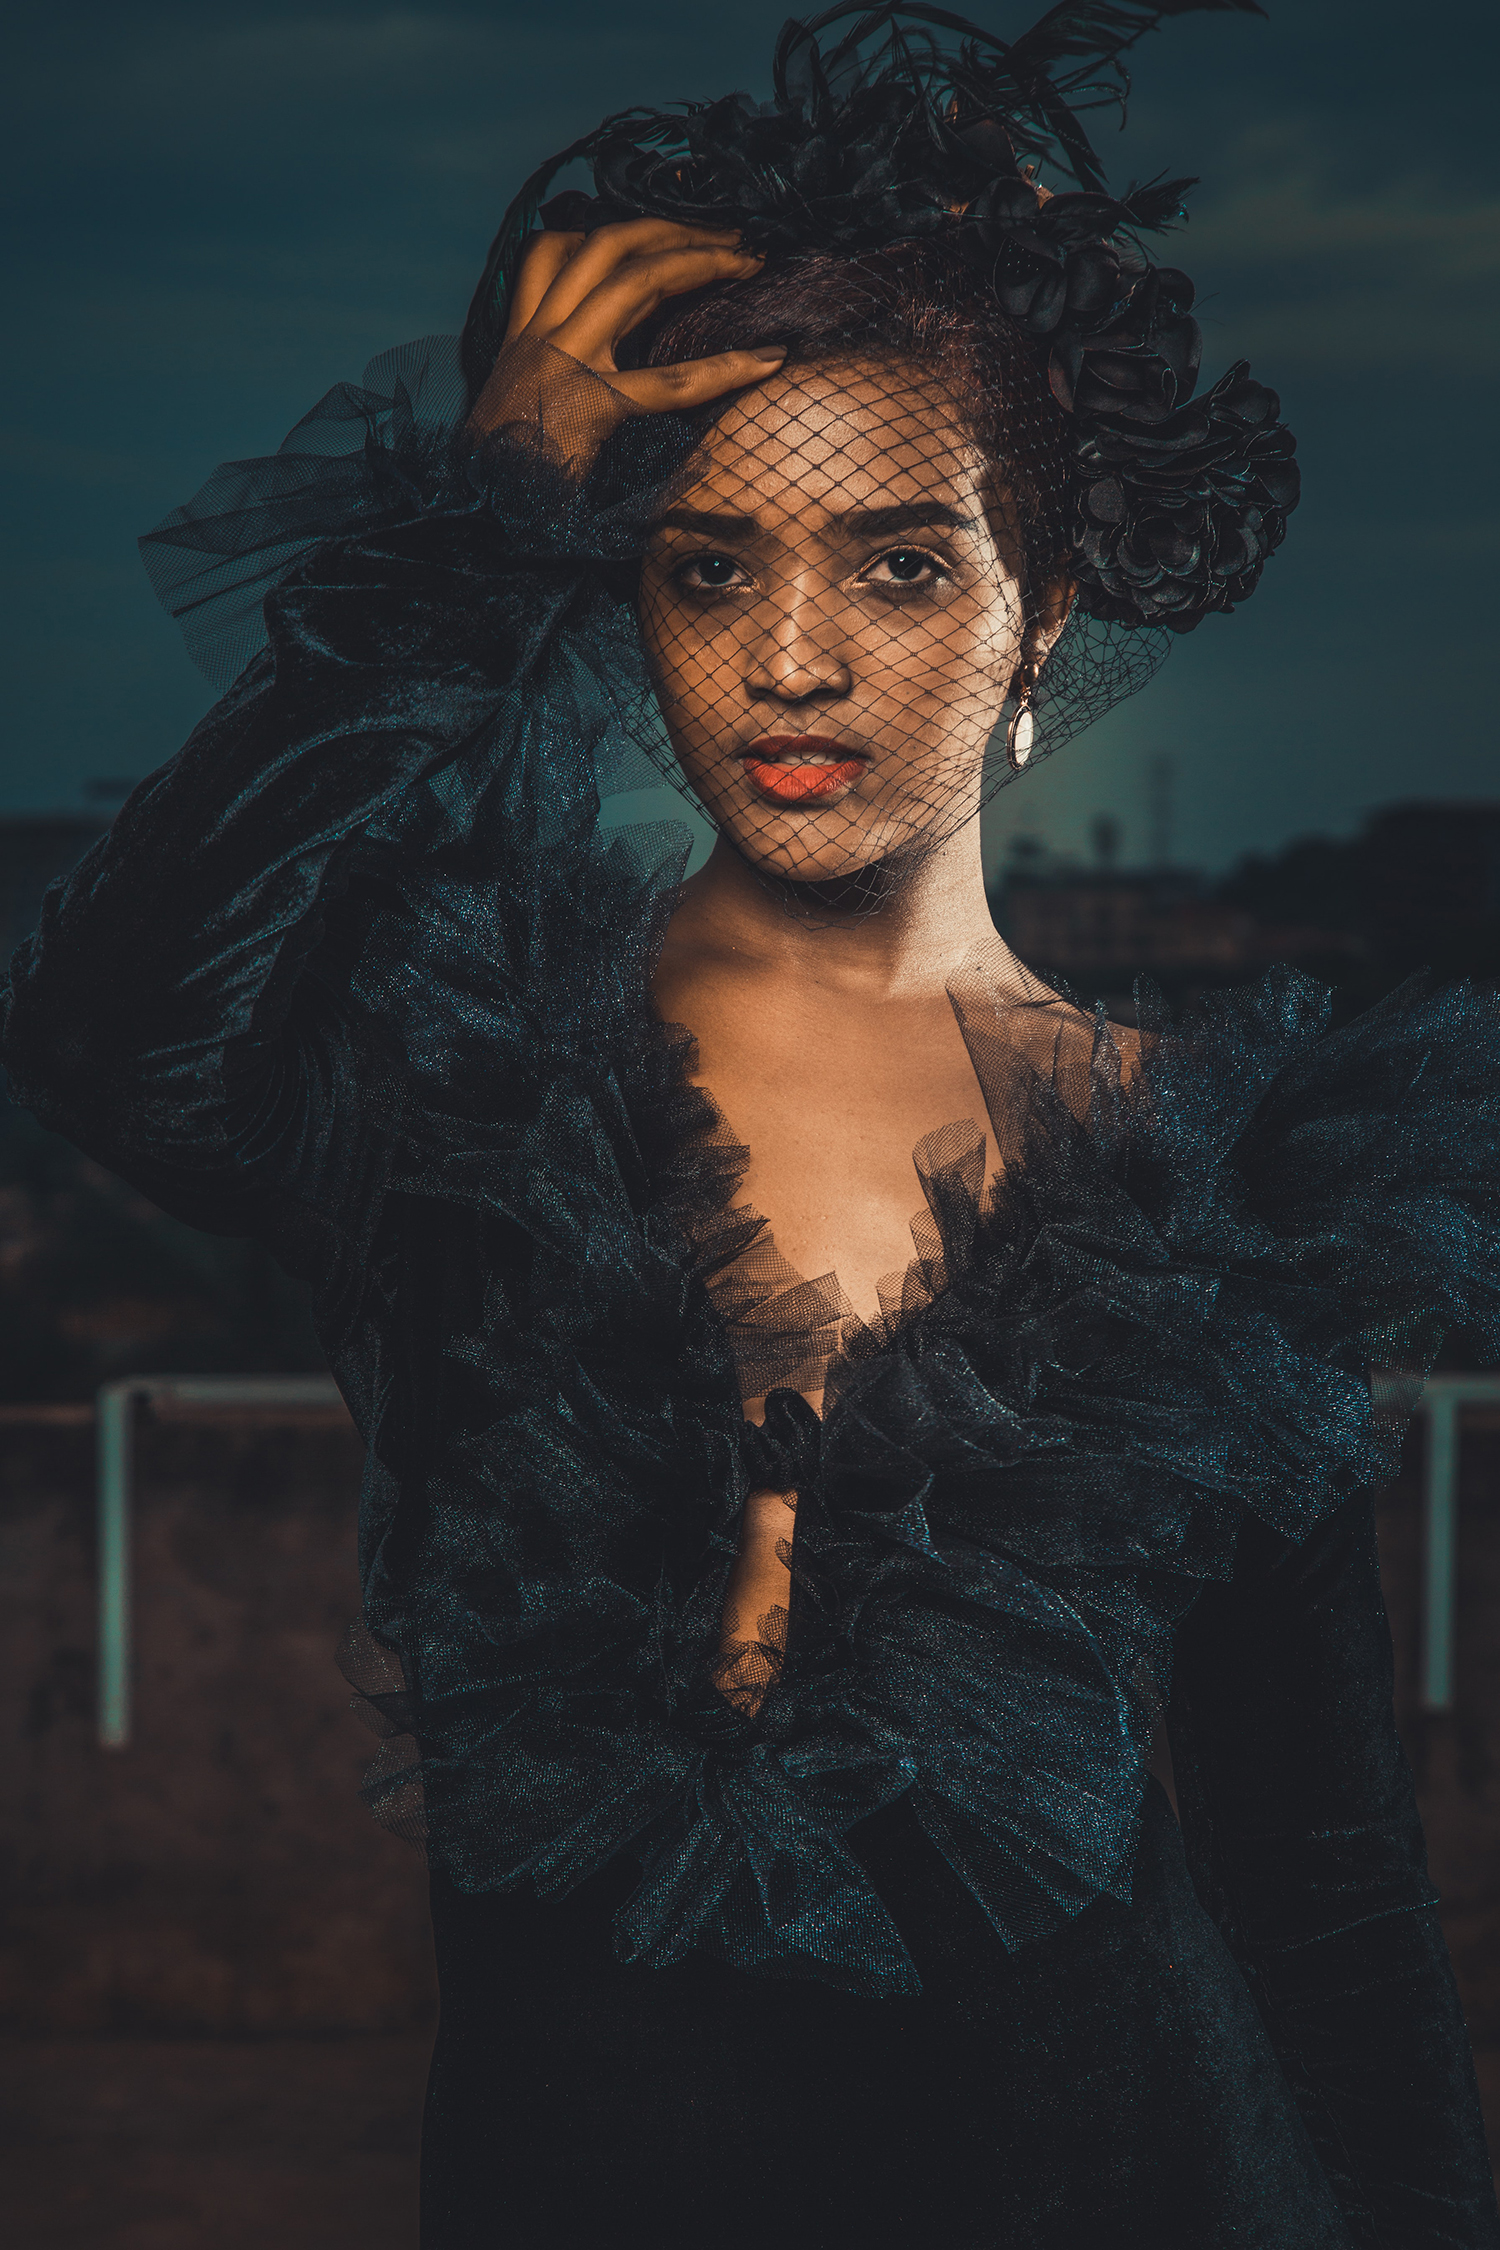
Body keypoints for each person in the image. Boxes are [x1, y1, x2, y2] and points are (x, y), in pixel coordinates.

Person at [7, 5, 1500, 2243]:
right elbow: (112, 1025)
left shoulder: (1218, 1179)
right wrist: (481, 512)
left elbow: (1330, 1894)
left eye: (900, 565)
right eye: (709, 566)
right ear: (629, 601)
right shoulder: (469, 1069)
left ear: (1040, 623)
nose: (792, 655)